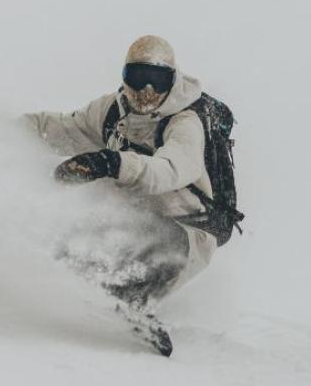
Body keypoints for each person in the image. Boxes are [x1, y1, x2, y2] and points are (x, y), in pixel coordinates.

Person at [25, 35, 219, 356]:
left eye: (157, 80)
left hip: (186, 232)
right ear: (124, 77)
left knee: (158, 239)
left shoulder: (185, 124)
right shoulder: (112, 112)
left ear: (172, 80)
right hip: (130, 217)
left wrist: (110, 161)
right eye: (138, 77)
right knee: (71, 232)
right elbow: (61, 129)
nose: (146, 91)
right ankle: (86, 276)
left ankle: (137, 301)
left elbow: (168, 170)